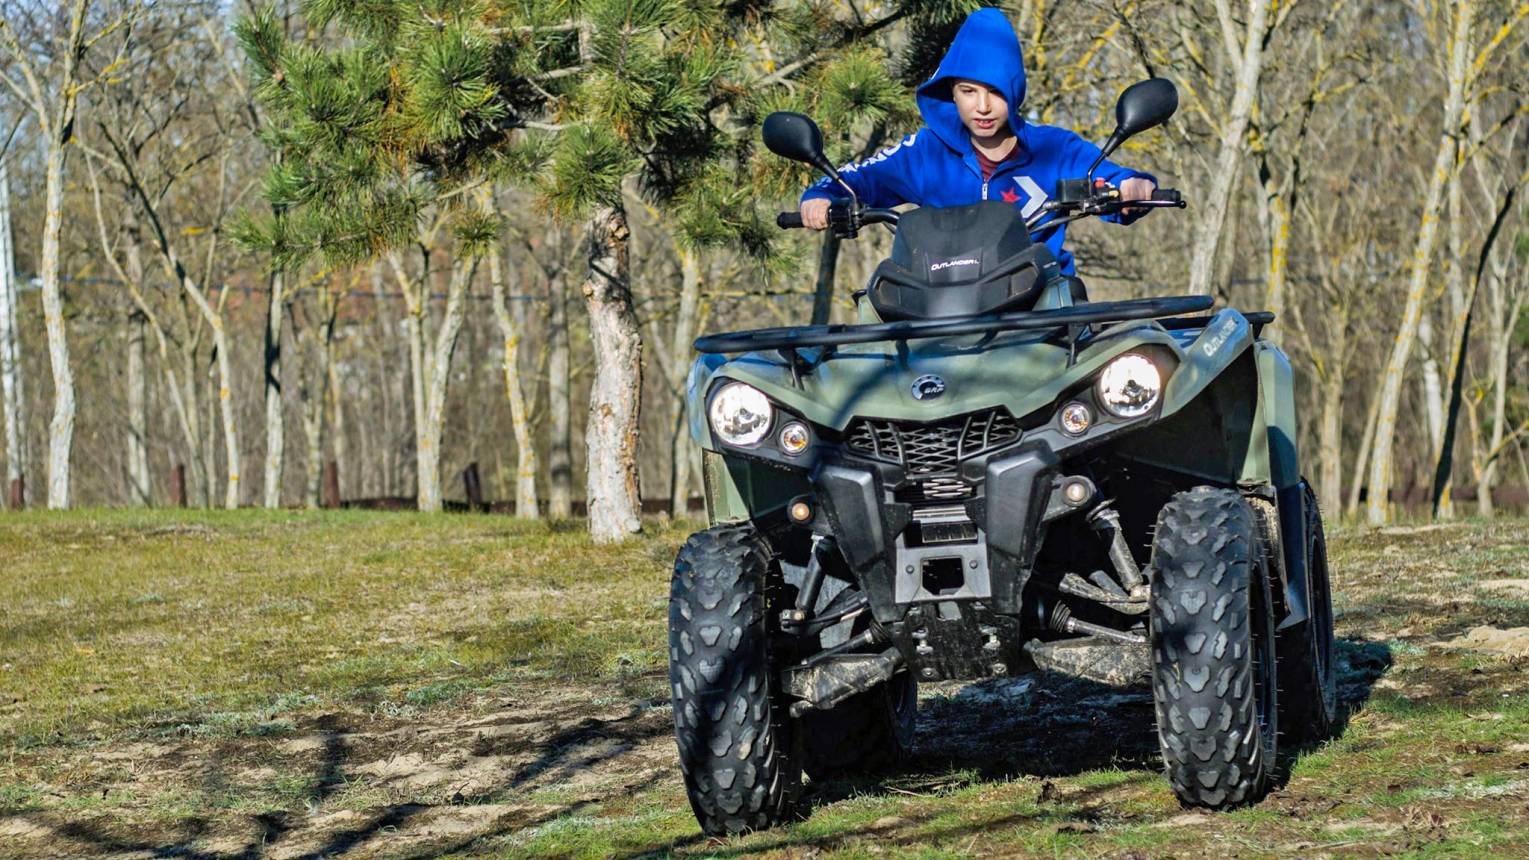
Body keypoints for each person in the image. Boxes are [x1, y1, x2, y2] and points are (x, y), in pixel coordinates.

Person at [798, 7, 1157, 276]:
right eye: (968, 91)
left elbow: (1109, 176)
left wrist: (1130, 188)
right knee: (874, 314)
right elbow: (860, 178)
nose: (982, 107)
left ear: (1014, 92)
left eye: (995, 92)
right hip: (938, 304)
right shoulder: (926, 153)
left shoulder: (1055, 150)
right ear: (951, 92)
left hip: (1039, 308)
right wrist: (822, 197)